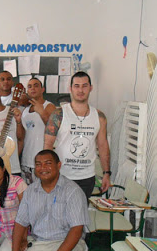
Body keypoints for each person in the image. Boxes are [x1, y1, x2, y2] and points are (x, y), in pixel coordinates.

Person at [8, 150, 89, 251]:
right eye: (38, 164)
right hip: (42, 242)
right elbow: (20, 224)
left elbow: (77, 229)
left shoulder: (73, 191)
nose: (42, 167)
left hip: (69, 241)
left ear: (59, 165)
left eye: (48, 163)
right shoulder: (30, 191)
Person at [44, 71, 111, 200]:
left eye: (84, 86)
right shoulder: (58, 114)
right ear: (70, 88)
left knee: (80, 217)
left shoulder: (99, 117)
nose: (80, 90)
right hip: (62, 176)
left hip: (87, 178)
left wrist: (106, 173)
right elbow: (47, 145)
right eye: (76, 86)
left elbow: (103, 146)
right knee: (59, 216)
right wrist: (48, 173)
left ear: (90, 88)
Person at [21, 78, 56, 184]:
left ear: (42, 89)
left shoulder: (49, 106)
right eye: (30, 86)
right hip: (26, 161)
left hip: (43, 162)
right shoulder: (25, 110)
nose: (33, 88)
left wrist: (42, 112)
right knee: (29, 196)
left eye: (36, 85)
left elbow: (54, 129)